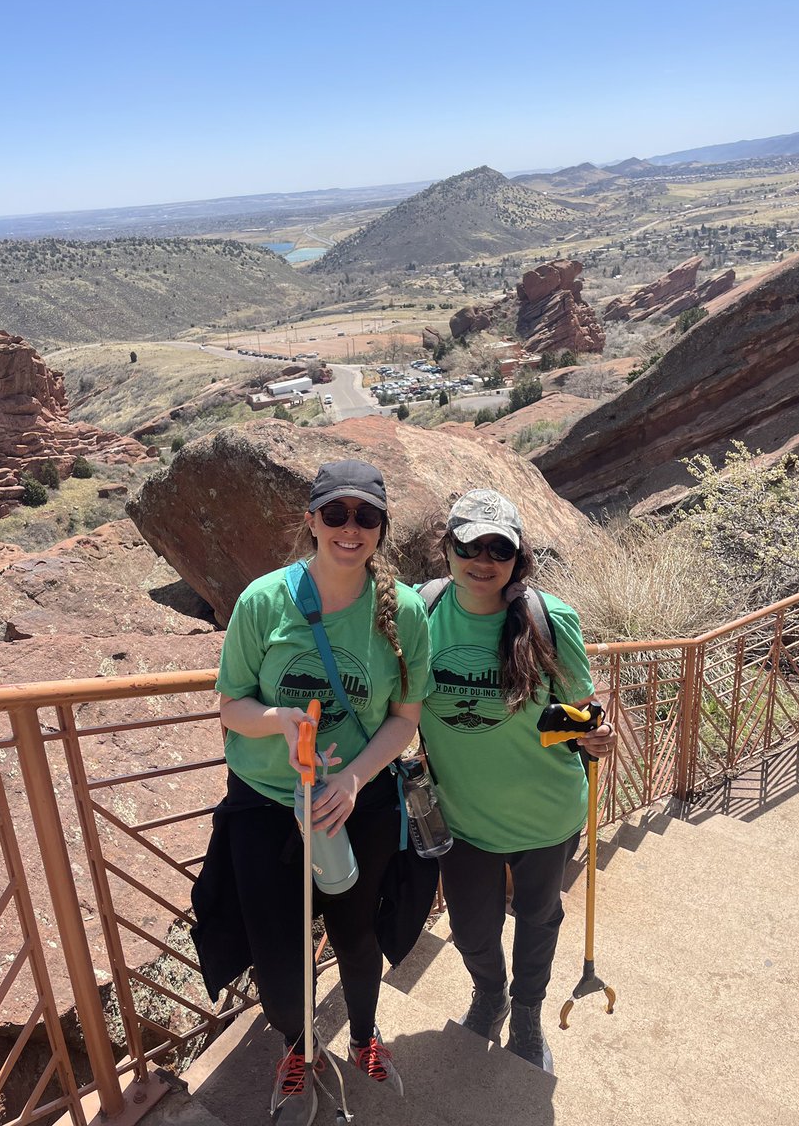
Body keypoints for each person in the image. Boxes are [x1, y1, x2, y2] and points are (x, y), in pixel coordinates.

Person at [194, 459, 432, 1126]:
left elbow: (405, 718)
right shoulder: (263, 602)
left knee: (356, 935)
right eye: (336, 514)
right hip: (268, 803)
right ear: (312, 520)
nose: (349, 529)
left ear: (381, 529)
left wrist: (354, 778)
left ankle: (361, 1038)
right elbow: (230, 705)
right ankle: (299, 1048)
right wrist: (275, 720)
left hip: (358, 804)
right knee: (277, 952)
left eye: (365, 516)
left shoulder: (405, 612)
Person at [417, 489, 615, 1073]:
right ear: (446, 548)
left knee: (538, 918)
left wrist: (592, 733)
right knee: (471, 925)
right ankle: (490, 993)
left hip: (545, 812)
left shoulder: (547, 618)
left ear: (516, 556)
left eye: (498, 548)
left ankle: (526, 1013)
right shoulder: (419, 613)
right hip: (463, 817)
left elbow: (581, 707)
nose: (483, 559)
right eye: (469, 545)